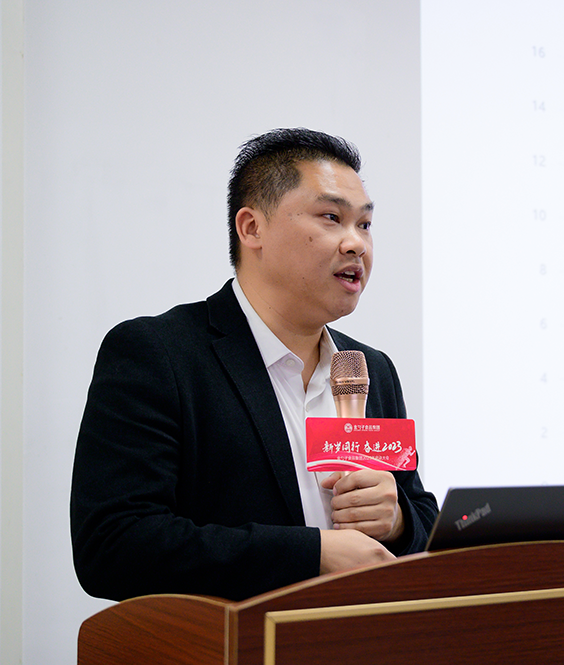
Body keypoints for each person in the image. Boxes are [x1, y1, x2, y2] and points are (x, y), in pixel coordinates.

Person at [70, 128, 438, 601]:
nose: (356, 245)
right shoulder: (159, 354)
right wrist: (311, 554)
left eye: (364, 225)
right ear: (251, 228)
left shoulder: (370, 369)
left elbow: (425, 525)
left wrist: (399, 521)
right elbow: (113, 546)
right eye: (332, 217)